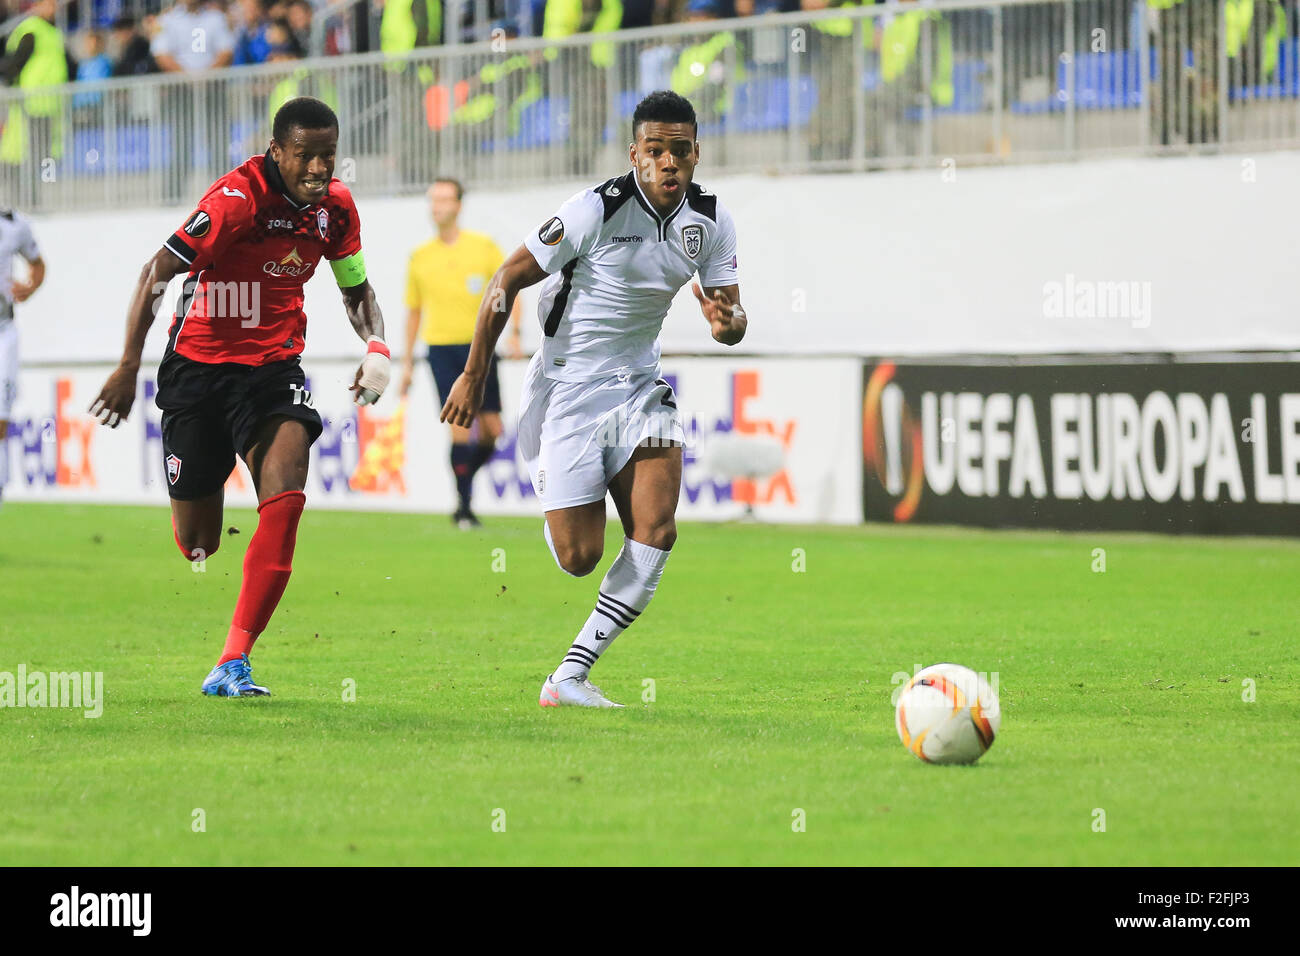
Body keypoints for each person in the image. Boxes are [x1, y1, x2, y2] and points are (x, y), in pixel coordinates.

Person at [441, 91, 747, 708]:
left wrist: (727, 321)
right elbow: (507, 279)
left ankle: (570, 676)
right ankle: (561, 484)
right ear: (635, 154)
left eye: (679, 151)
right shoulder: (594, 210)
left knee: (657, 530)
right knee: (581, 557)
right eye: (654, 151)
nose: (667, 163)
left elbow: (732, 317)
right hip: (567, 393)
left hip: (639, 388)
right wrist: (475, 374)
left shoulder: (710, 221)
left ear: (695, 154)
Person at [88, 97, 392, 697]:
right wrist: (128, 364)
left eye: (328, 156)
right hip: (197, 372)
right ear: (276, 151)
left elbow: (355, 288)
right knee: (198, 543)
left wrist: (377, 345)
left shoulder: (335, 210)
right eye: (304, 156)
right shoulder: (237, 200)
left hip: (273, 371)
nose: (317, 169)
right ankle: (212, 470)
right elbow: (157, 271)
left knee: (287, 493)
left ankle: (232, 662)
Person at [399, 177, 524, 528]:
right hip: (440, 350)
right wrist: (407, 364)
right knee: (458, 426)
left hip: (479, 348)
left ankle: (464, 484)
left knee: (492, 431)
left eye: (443, 199)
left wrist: (514, 333)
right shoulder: (420, 256)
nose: (436, 206)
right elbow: (413, 312)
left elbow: (509, 288)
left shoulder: (483, 247)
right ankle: (464, 506)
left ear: (458, 205)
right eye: (432, 199)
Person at [151, 0, 235, 201]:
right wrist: (189, 78)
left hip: (213, 88)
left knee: (218, 144)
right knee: (180, 144)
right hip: (181, 91)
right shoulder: (168, 20)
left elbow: (226, 51)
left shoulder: (216, 18)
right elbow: (161, 54)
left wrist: (206, 77)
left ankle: (225, 199)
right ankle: (172, 198)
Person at [0, 206, 45, 510]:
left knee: (2, 416)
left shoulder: (14, 225)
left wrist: (29, 286)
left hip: (3, 329)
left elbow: (38, 265)